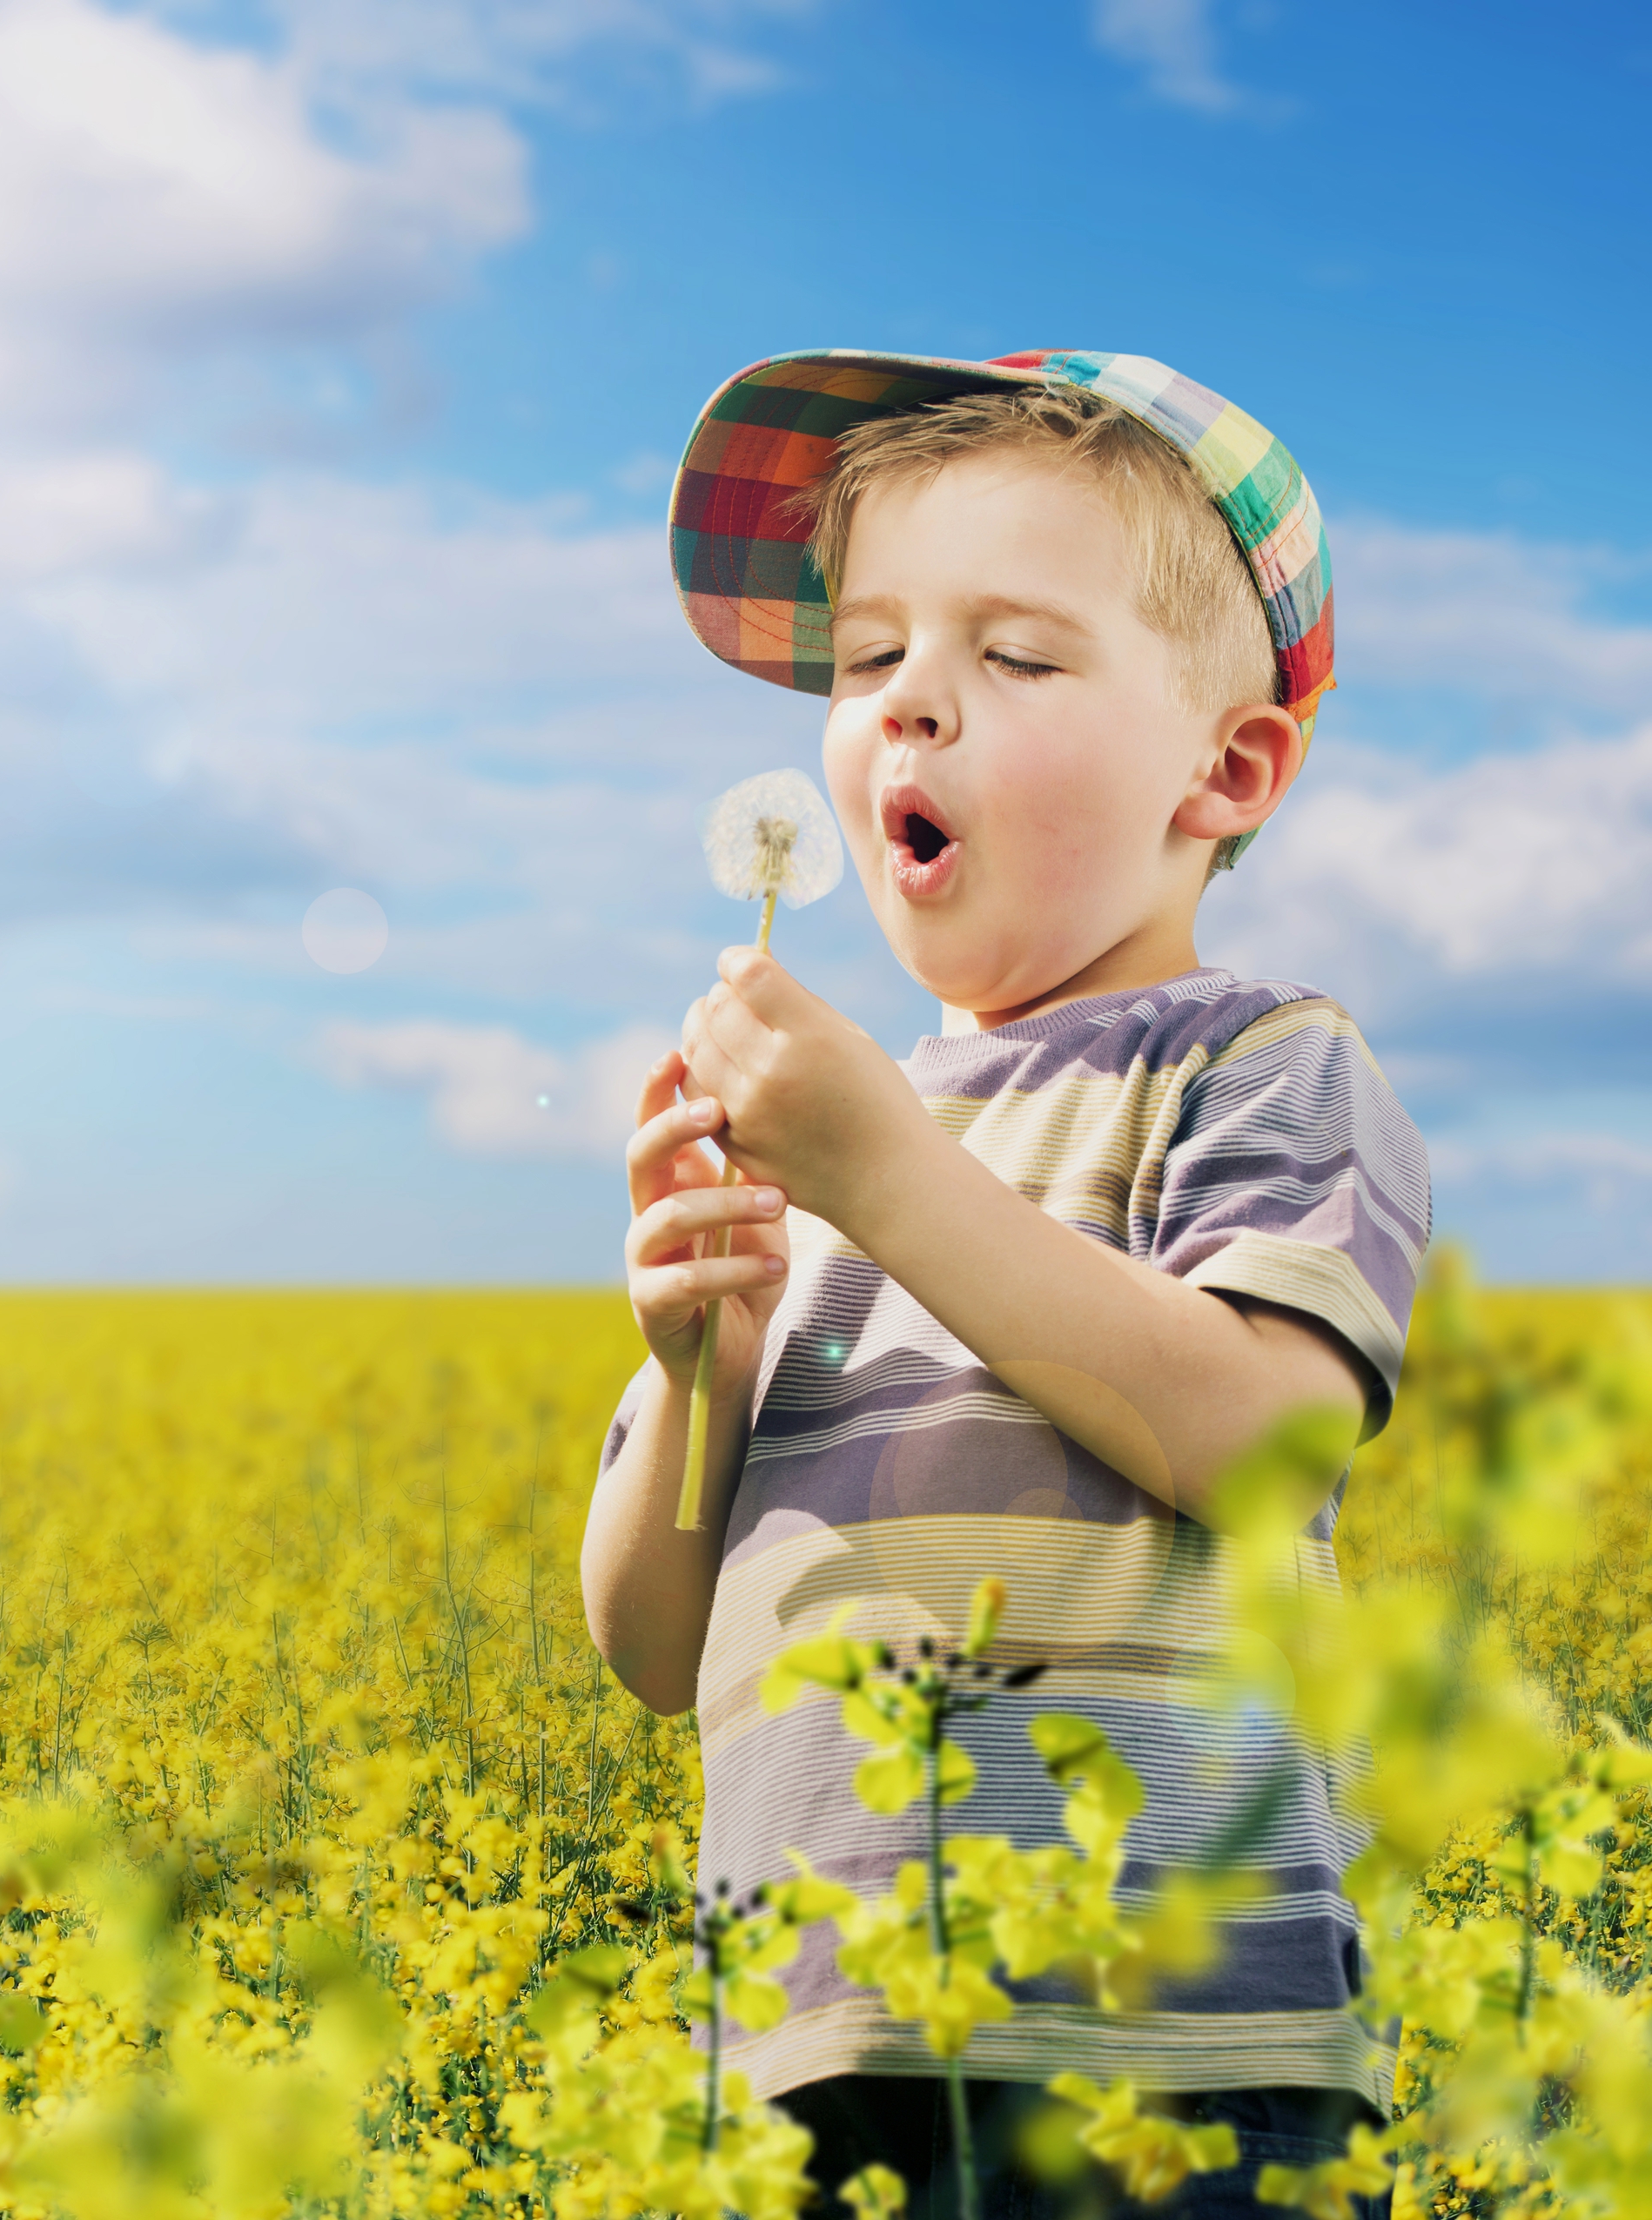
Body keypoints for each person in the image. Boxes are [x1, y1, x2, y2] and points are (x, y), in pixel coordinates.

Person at [580, 350, 1430, 2218]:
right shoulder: (823, 1145)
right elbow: (649, 1647)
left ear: (1224, 770)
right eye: (869, 653)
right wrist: (700, 1365)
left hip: (1170, 2065)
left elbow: (1263, 1439)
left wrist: (886, 1176)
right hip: (811, 2057)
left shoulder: (1258, 1064)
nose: (908, 702)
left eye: (1017, 656)